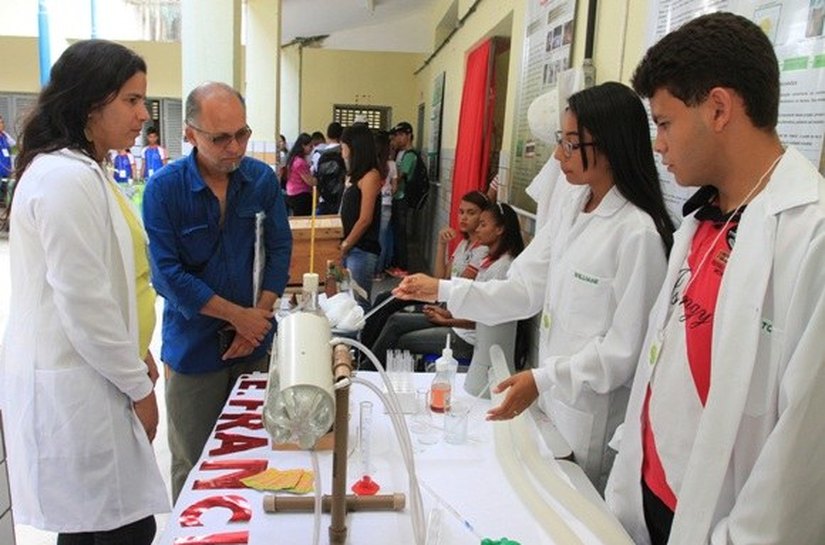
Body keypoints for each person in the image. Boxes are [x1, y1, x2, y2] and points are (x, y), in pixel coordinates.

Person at [604, 13, 825, 545]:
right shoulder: (702, 222)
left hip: (718, 524)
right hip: (648, 496)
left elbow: (804, 444)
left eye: (664, 123)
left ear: (719, 109)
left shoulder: (810, 234)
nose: (657, 144)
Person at [394, 82, 674, 491]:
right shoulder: (572, 209)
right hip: (551, 402)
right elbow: (521, 289)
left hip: (589, 416)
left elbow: (623, 352)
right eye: (561, 140)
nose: (559, 154)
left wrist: (543, 378)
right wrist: (443, 288)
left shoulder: (638, 234)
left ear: (611, 144)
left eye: (571, 143)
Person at [0, 39, 168, 545]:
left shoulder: (87, 172)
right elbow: (86, 303)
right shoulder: (62, 180)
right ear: (90, 103)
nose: (143, 114)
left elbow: (118, 283)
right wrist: (139, 389)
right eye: (131, 101)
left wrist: (136, 355)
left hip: (102, 377)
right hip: (80, 389)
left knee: (96, 527)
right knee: (118, 528)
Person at [142, 81, 292, 502]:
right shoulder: (164, 189)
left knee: (253, 455)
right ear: (189, 134)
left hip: (255, 343)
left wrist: (257, 317)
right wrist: (236, 315)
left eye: (242, 134)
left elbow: (279, 248)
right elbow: (167, 275)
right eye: (220, 138)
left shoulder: (260, 180)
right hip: (194, 351)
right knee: (194, 460)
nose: (235, 147)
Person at [374, 201, 524, 366]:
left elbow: (486, 316)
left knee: (402, 342)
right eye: (461, 212)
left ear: (500, 229)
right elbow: (457, 288)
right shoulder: (486, 258)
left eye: (482, 224)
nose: (478, 229)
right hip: (456, 320)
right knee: (395, 320)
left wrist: (447, 321)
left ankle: (373, 373)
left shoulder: (502, 267)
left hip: (467, 339)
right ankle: (366, 364)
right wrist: (447, 314)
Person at [360, 189, 490, 350]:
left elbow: (453, 285)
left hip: (448, 303)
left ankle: (367, 355)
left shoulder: (482, 251)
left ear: (483, 217)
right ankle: (364, 349)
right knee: (384, 297)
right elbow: (441, 276)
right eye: (461, 212)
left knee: (393, 312)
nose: (464, 217)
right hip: (444, 296)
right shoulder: (464, 245)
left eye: (471, 213)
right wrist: (442, 244)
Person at [338, 123, 383, 309]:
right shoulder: (353, 176)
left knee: (358, 303)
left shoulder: (370, 176)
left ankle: (362, 339)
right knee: (344, 302)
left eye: (343, 146)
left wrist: (346, 245)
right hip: (348, 246)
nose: (341, 151)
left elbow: (365, 219)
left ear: (354, 147)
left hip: (361, 249)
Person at [386, 121, 415, 277]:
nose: (396, 139)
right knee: (396, 232)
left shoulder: (410, 155)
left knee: (400, 233)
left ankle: (403, 267)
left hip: (402, 198)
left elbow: (400, 175)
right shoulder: (400, 153)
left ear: (408, 135)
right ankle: (397, 263)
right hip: (396, 197)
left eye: (399, 135)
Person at [373, 130, 397, 279]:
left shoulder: (372, 164)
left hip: (373, 203)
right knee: (383, 238)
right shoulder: (392, 164)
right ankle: (378, 271)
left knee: (373, 237)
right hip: (387, 202)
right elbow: (395, 187)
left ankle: (371, 269)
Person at [283, 132, 316, 215]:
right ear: (303, 146)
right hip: (300, 196)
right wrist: (319, 180)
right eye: (310, 146)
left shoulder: (293, 159)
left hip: (291, 193)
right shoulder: (300, 162)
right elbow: (310, 182)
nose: (312, 149)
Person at [0, 114, 15, 179]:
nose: (3, 124)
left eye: (3, 122)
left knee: (5, 187)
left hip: (7, 171)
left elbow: (15, 146)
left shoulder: (5, 135)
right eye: (0, 123)